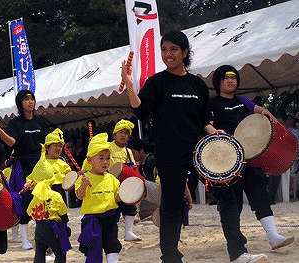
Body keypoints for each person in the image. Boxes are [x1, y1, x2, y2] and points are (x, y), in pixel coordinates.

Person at [122, 29, 220, 262]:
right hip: (169, 152)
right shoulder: (157, 82)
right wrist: (129, 86)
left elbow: (204, 121)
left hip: (198, 152)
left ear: (185, 52)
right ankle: (170, 255)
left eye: (174, 49)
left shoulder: (197, 85)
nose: (168, 54)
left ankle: (237, 249)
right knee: (172, 204)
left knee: (226, 193)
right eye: (164, 49)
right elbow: (142, 111)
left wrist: (216, 134)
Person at [208, 65, 294, 262]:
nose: (231, 81)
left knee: (259, 194)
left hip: (249, 156)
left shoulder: (241, 100)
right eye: (226, 78)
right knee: (232, 203)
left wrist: (266, 113)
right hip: (228, 157)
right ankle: (233, 242)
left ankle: (273, 236)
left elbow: (257, 110)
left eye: (234, 78)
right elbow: (207, 124)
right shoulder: (211, 103)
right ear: (219, 81)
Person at [0, 89, 49, 250]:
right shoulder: (15, 123)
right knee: (24, 199)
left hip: (40, 164)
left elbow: (48, 142)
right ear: (20, 103)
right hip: (23, 164)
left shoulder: (41, 122)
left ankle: (44, 236)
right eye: (26, 99)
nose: (30, 102)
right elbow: (11, 142)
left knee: (44, 197)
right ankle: (24, 239)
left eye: (32, 99)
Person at [75, 133, 122, 263]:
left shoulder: (112, 178)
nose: (105, 162)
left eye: (108, 158)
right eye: (101, 158)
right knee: (90, 247)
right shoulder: (83, 178)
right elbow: (80, 196)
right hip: (92, 219)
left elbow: (117, 198)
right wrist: (83, 185)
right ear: (90, 160)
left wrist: (126, 195)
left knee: (112, 245)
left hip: (110, 217)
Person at [27, 143, 72, 263]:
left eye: (60, 146)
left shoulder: (36, 196)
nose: (58, 148)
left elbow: (30, 211)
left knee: (39, 254)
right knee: (61, 252)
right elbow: (63, 213)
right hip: (52, 227)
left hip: (39, 227)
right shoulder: (56, 196)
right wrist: (64, 222)